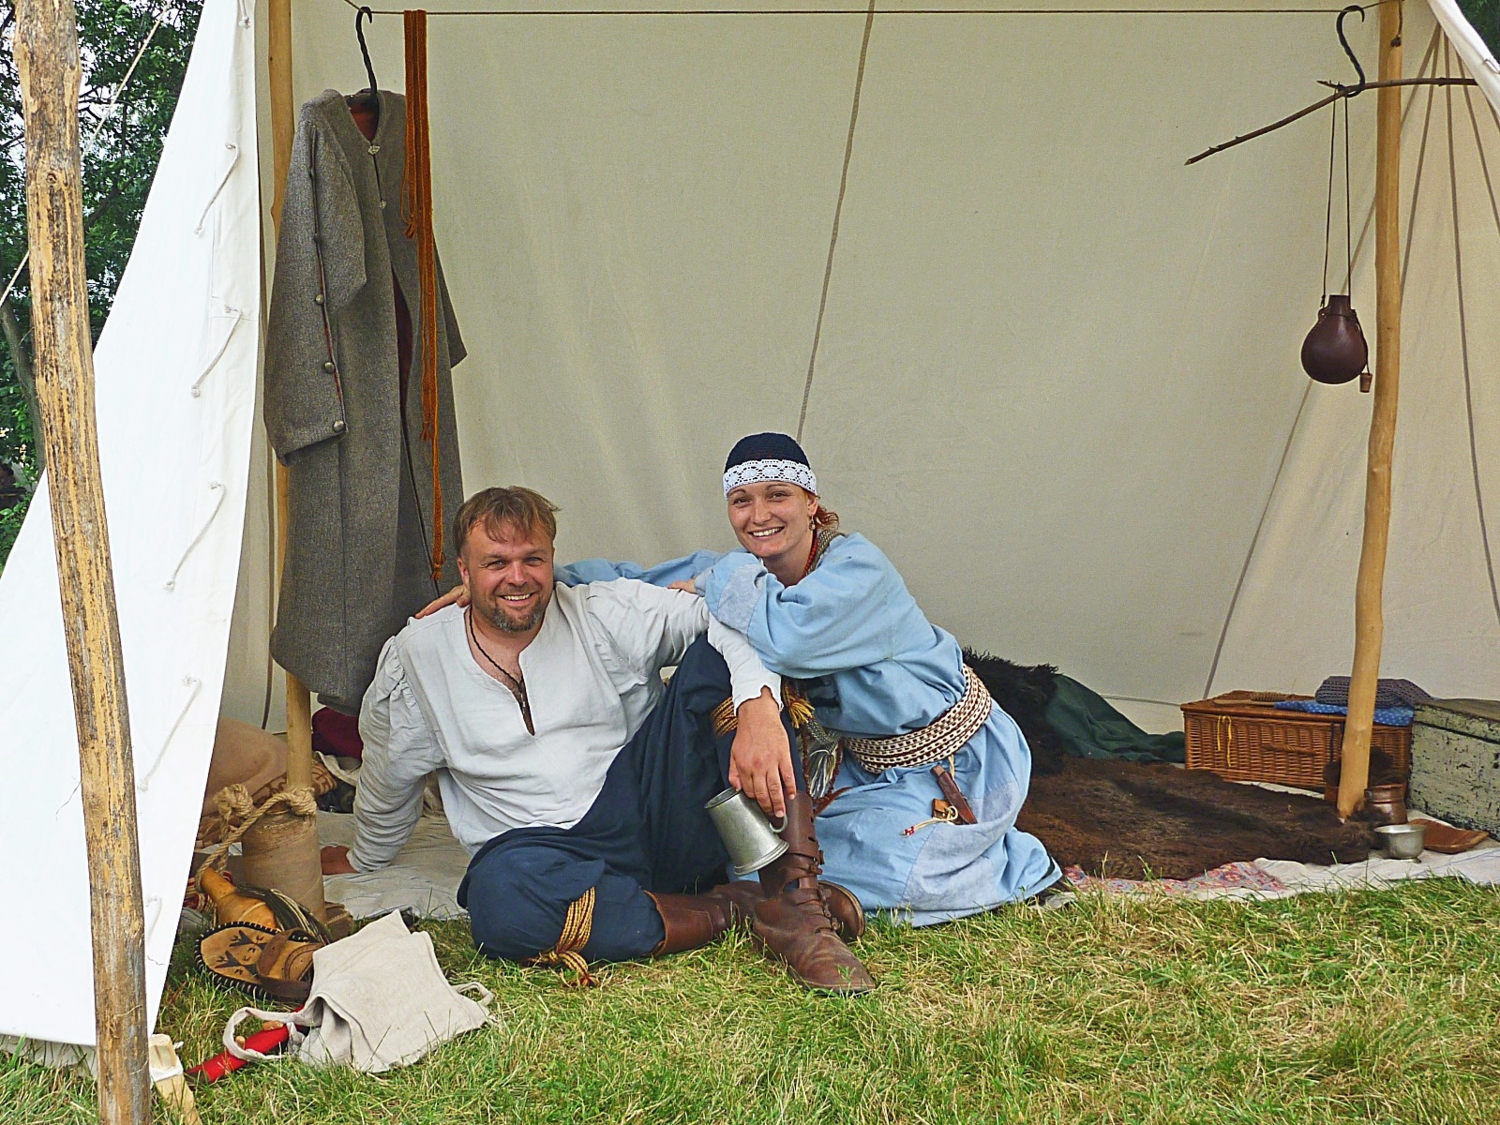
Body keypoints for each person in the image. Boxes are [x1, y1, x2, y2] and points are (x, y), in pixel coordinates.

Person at [425, 435, 1060, 923]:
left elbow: (787, 635)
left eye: (778, 496)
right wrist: (516, 581)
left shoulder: (858, 572)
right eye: (741, 501)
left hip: (950, 759)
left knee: (902, 870)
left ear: (812, 503)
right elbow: (625, 580)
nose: (759, 515)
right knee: (753, 855)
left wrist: (717, 579)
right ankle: (767, 903)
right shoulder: (744, 572)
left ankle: (1018, 864)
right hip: (858, 766)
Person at [325, 485, 874, 992]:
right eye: (496, 563)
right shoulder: (418, 658)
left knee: (717, 660)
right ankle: (741, 911)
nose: (517, 578)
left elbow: (723, 614)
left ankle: (798, 908)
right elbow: (390, 767)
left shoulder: (603, 610)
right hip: (540, 853)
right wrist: (366, 857)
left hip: (653, 815)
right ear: (463, 573)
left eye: (532, 560)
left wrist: (758, 709)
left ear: (551, 560)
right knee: (497, 899)